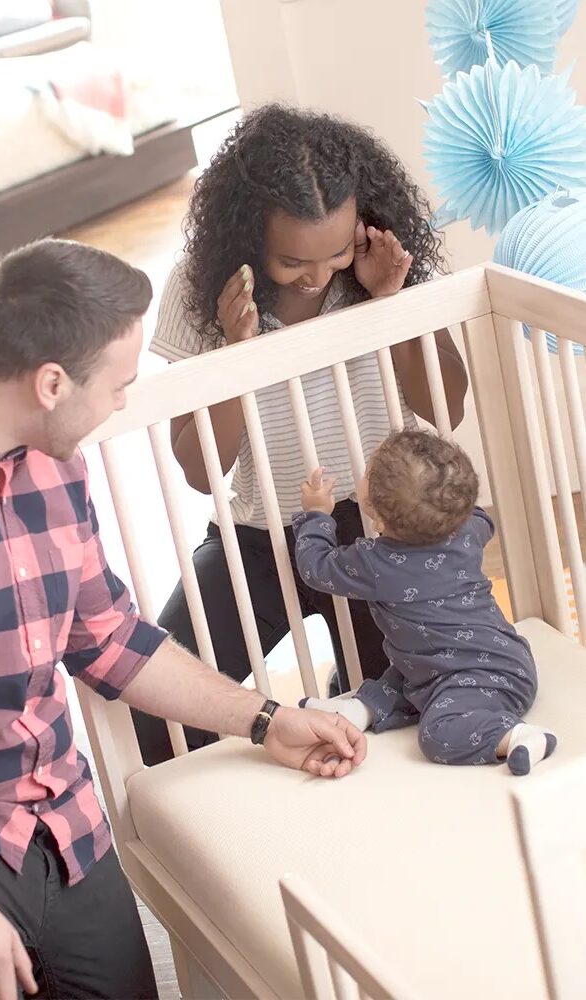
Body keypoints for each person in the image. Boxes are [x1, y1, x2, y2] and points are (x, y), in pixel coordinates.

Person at [0, 239, 367, 1000]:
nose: (124, 401)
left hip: (56, 806)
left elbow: (111, 639)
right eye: (119, 385)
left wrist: (264, 718)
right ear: (52, 382)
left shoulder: (55, 461)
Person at [137, 103, 469, 765]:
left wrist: (390, 303)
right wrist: (235, 352)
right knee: (157, 705)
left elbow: (446, 406)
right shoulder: (202, 289)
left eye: (336, 252)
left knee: (403, 700)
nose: (318, 277)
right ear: (246, 238)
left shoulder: (381, 268)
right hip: (264, 536)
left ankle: (345, 717)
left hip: (384, 532)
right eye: (292, 261)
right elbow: (202, 469)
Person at [295, 431, 557, 775]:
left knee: (437, 733)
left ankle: (514, 736)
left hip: (482, 682)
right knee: (400, 678)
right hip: (499, 661)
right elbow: (481, 518)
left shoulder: (375, 564)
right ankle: (359, 711)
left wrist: (317, 515)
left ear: (377, 516)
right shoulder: (467, 532)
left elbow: (316, 567)